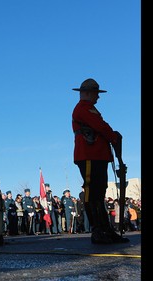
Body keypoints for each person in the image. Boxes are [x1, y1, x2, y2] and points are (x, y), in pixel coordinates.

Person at [71, 78, 129, 244]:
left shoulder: (90, 108)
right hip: (89, 155)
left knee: (99, 193)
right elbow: (100, 126)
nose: (98, 97)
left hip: (97, 155)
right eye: (96, 93)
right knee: (92, 192)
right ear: (87, 93)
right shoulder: (82, 108)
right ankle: (97, 230)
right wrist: (113, 137)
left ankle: (105, 229)